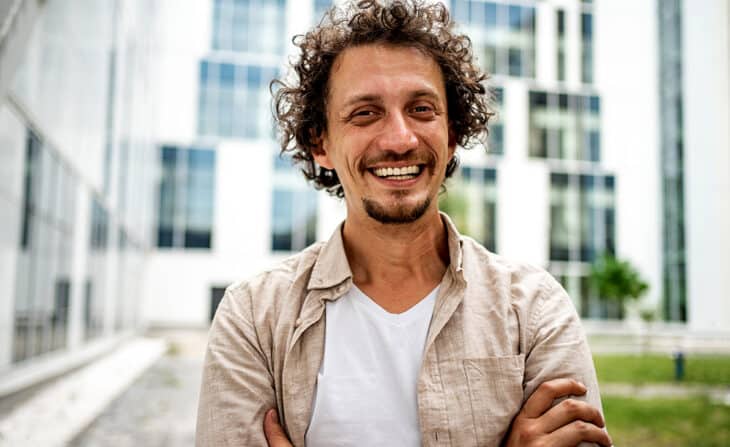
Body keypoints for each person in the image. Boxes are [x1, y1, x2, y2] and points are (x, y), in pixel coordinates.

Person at [196, 1, 612, 446]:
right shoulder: (255, 316)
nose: (399, 139)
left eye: (421, 109)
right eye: (365, 113)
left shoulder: (533, 308)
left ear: (452, 134)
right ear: (321, 144)